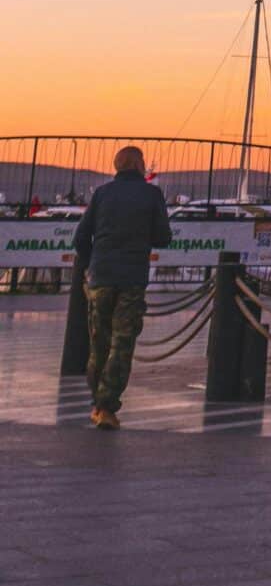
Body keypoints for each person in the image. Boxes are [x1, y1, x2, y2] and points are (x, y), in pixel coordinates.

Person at [73, 148, 172, 429]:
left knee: (98, 343)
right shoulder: (152, 195)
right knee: (122, 343)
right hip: (131, 277)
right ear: (140, 165)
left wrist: (92, 263)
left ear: (116, 165)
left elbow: (81, 236)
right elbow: (163, 237)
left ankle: (97, 402)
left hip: (100, 276)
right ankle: (107, 405)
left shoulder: (102, 193)